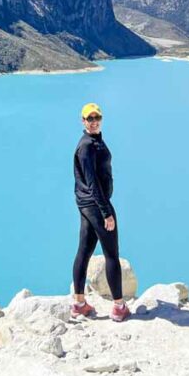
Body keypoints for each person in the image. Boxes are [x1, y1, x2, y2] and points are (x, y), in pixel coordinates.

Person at [71, 102, 130, 322]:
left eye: (97, 118)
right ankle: (119, 306)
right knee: (111, 254)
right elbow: (92, 181)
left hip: (87, 203)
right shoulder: (86, 146)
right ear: (83, 121)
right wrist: (106, 212)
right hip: (97, 204)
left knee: (85, 250)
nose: (94, 122)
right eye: (89, 118)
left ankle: (79, 303)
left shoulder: (94, 141)